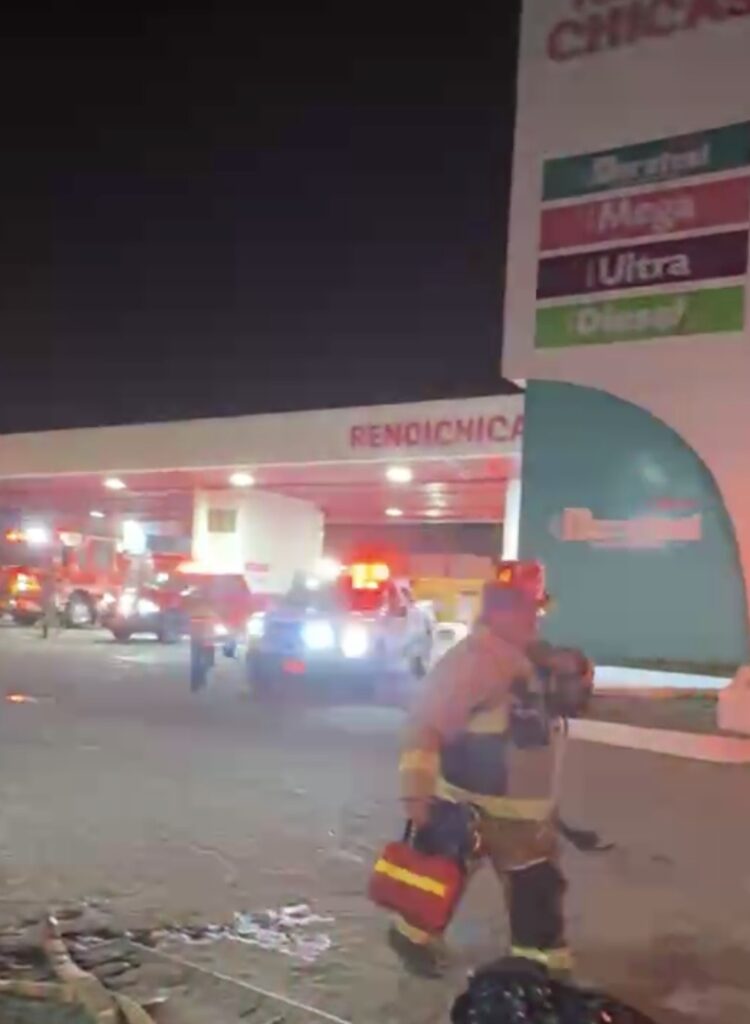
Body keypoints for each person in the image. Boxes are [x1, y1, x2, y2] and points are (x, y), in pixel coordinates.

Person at [392, 580, 582, 978]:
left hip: (522, 815)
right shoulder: (473, 661)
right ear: (499, 614)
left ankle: (538, 969)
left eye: (536, 610)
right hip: (473, 806)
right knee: (440, 879)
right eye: (527, 610)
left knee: (535, 892)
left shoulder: (525, 657)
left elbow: (563, 709)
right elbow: (425, 725)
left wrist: (569, 670)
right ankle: (412, 939)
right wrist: (416, 794)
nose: (535, 618)